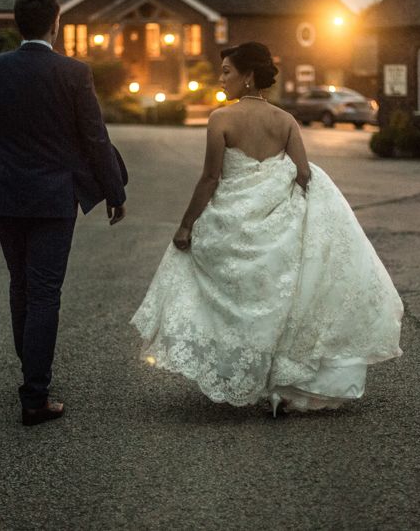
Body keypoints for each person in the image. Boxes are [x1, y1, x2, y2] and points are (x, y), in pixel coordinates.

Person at [130, 41, 402, 416]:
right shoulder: (285, 121)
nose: (221, 78)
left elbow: (211, 178)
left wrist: (186, 224)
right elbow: (304, 174)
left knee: (235, 298)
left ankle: (242, 374)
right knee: (282, 302)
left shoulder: (221, 119)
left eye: (227, 71)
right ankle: (279, 384)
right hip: (277, 219)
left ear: (248, 77)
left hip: (230, 219)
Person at [0, 0, 127, 426]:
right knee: (45, 292)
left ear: (17, 24)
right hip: (54, 198)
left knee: (21, 286)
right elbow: (94, 136)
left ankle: (32, 374)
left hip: (5, 195)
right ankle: (35, 394)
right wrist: (115, 192)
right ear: (56, 22)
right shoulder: (74, 72)